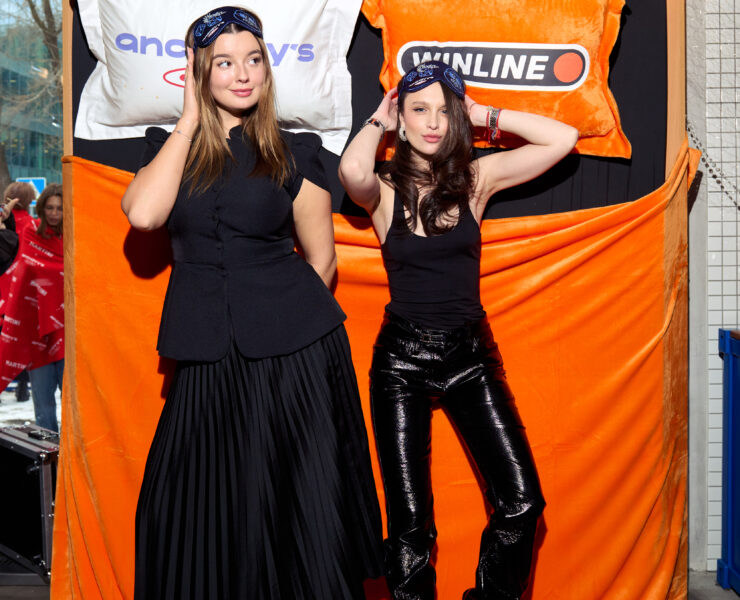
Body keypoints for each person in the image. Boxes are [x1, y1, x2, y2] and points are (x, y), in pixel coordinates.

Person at [121, 7, 382, 599]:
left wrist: (287, 329)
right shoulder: (169, 146)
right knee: (188, 506)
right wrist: (189, 121)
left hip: (295, 355)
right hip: (205, 351)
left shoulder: (296, 151)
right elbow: (145, 216)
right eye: (224, 63)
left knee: (295, 507)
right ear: (198, 72)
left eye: (254, 60)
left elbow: (322, 260)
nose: (242, 74)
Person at [339, 61, 578, 600]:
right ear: (402, 120)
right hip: (401, 364)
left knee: (522, 500)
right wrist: (379, 119)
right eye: (419, 110)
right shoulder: (383, 189)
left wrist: (481, 113)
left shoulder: (475, 180)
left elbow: (562, 138)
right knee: (410, 525)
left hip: (471, 357)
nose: (433, 122)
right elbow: (351, 170)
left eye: (444, 112)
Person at [26, 183, 64, 431]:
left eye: (59, 208)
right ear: (41, 208)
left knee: (73, 402)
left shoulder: (74, 238)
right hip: (37, 331)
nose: (54, 213)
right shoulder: (29, 235)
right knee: (43, 405)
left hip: (67, 332)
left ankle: (71, 452)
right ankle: (50, 453)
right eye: (50, 207)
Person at [1, 182, 38, 403]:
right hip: (20, 287)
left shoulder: (4, 222)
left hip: (2, 284)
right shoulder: (33, 224)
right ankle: (23, 384)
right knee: (20, 339)